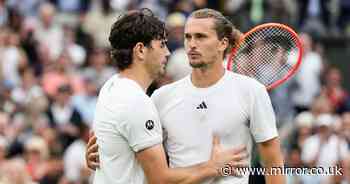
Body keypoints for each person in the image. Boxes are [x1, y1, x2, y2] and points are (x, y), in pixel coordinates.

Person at [87, 8, 284, 184]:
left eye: (200, 37)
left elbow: (273, 160)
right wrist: (103, 153)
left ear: (222, 43)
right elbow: (151, 167)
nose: (192, 44)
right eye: (188, 37)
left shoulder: (251, 91)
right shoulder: (159, 98)